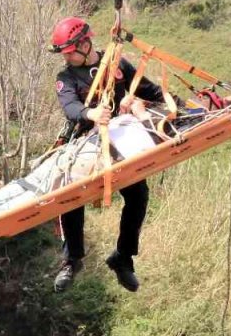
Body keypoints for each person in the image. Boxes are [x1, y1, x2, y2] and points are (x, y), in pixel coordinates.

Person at [48, 16, 164, 293]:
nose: (67, 58)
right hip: (87, 142)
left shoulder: (117, 65)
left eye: (69, 53)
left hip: (122, 141)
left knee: (138, 195)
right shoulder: (66, 78)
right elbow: (71, 108)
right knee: (71, 195)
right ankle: (71, 259)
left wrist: (180, 105)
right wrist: (91, 113)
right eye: (64, 54)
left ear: (85, 44)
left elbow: (149, 89)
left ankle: (123, 257)